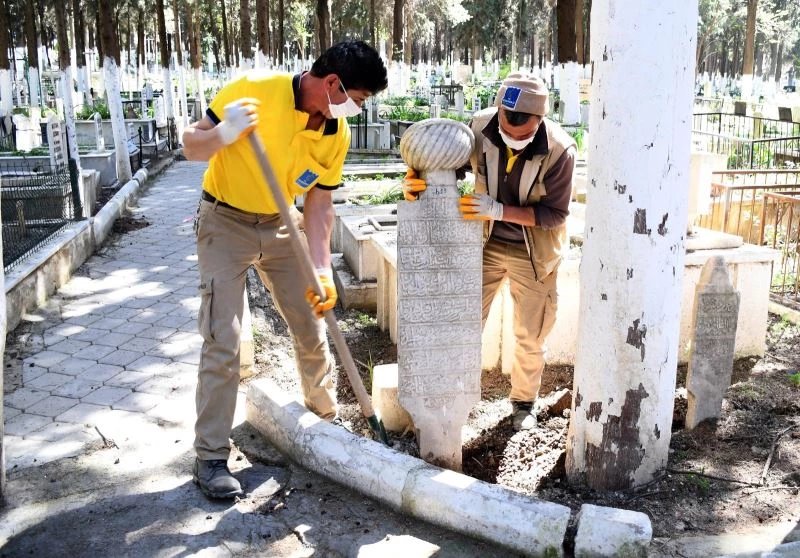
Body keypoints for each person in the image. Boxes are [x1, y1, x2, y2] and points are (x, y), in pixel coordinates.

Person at [182, 40, 387, 499]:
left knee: (312, 324)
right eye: (359, 98)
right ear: (333, 83)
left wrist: (319, 267)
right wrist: (221, 136)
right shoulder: (253, 91)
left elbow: (319, 205)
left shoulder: (336, 133)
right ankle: (211, 456)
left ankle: (325, 422)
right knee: (224, 338)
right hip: (225, 223)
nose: (358, 108)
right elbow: (190, 147)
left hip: (282, 227)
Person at [403, 72, 575, 431]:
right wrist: (417, 179)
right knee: (464, 320)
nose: (512, 136)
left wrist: (500, 210)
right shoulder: (480, 128)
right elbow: (451, 165)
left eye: (521, 133)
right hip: (485, 243)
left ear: (539, 119)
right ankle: (451, 396)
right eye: (505, 127)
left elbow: (555, 213)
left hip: (535, 253)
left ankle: (524, 402)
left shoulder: (561, 150)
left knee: (530, 332)